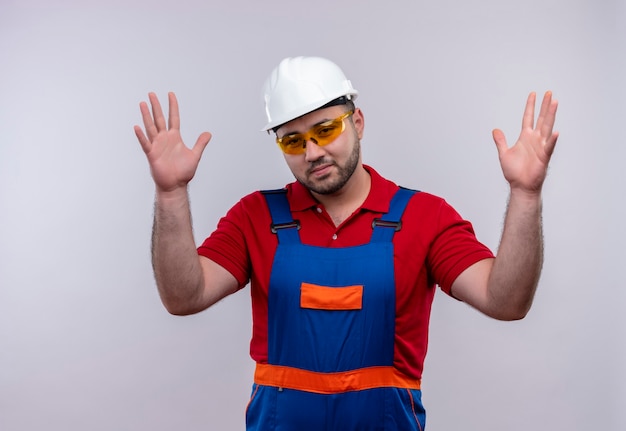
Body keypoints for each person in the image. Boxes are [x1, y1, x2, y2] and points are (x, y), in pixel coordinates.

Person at [134, 56, 559, 430]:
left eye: (325, 129)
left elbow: (506, 303)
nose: (313, 151)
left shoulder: (423, 217)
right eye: (294, 140)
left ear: (357, 123)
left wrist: (526, 194)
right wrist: (170, 193)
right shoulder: (256, 217)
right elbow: (183, 297)